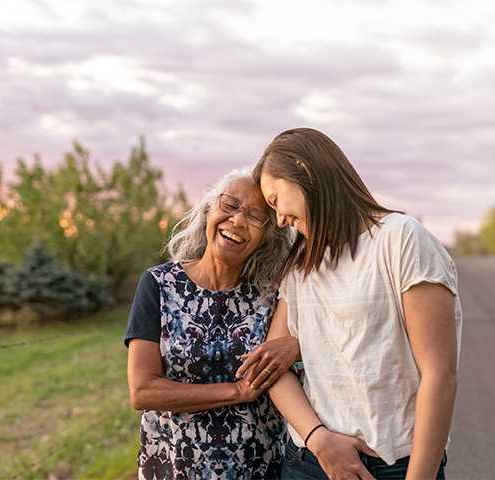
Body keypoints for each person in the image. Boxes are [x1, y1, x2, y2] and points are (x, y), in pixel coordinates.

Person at [242, 127, 462, 480]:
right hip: (310, 462)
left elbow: (440, 374)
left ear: (304, 169)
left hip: (395, 465)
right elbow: (272, 367)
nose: (280, 219)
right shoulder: (301, 265)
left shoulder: (401, 239)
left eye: (274, 200)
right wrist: (319, 440)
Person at [125, 168, 300, 479]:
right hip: (175, 467)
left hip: (259, 468)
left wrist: (296, 345)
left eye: (255, 217)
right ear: (209, 209)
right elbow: (143, 390)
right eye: (230, 205)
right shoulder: (159, 284)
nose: (237, 221)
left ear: (267, 237)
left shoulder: (274, 294)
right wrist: (235, 391)